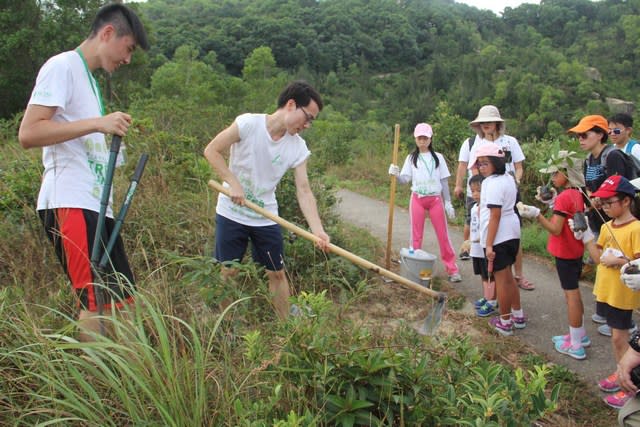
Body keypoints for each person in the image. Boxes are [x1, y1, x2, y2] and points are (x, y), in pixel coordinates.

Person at [17, 4, 149, 341]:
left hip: (96, 205)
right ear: (108, 34)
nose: (128, 59)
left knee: (123, 300)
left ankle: (132, 382)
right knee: (96, 302)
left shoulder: (90, 82)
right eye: (128, 48)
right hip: (69, 202)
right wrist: (96, 123)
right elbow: (29, 133)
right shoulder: (62, 66)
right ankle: (95, 391)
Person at [204, 80, 330, 320]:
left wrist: (318, 230)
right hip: (232, 212)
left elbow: (303, 190)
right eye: (308, 117)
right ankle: (229, 325)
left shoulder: (298, 147)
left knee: (277, 273)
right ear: (291, 105)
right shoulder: (248, 124)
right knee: (228, 271)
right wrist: (233, 183)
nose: (308, 125)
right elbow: (211, 150)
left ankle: (285, 325)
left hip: (265, 216)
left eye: (312, 120)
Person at [571, 175, 640, 409]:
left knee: (621, 338)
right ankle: (620, 369)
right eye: (603, 203)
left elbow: (637, 267)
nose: (605, 207)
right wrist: (586, 237)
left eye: (610, 202)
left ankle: (629, 384)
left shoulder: (636, 228)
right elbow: (599, 258)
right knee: (615, 337)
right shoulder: (607, 226)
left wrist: (622, 261)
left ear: (627, 201)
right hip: (607, 290)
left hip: (623, 294)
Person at [518, 151, 590, 359]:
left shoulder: (565, 197)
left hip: (565, 252)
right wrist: (551, 204)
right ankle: (579, 333)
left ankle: (576, 344)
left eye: (555, 173)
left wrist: (537, 214)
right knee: (574, 292)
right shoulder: (578, 193)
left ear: (566, 174)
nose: (552, 178)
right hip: (575, 251)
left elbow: (556, 229)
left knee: (571, 295)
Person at [453, 105, 534, 290]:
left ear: (497, 123)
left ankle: (518, 275)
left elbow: (519, 166)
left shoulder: (510, 142)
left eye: (489, 121)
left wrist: (516, 182)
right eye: (482, 123)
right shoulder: (476, 144)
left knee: (514, 234)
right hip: (485, 194)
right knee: (487, 234)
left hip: (509, 192)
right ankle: (493, 280)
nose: (486, 125)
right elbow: (472, 169)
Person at [572, 115, 635, 335]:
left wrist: (599, 199)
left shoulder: (613, 156)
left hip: (616, 220)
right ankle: (604, 309)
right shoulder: (589, 159)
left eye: (584, 134)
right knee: (602, 261)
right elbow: (590, 187)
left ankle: (623, 319)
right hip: (599, 218)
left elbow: (619, 188)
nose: (580, 139)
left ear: (600, 134)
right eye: (578, 135)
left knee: (617, 262)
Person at [388, 123, 461, 282]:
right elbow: (405, 180)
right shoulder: (411, 158)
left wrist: (448, 202)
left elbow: (443, 182)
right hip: (417, 199)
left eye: (425, 137)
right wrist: (396, 174)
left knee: (443, 236)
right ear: (415, 139)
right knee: (415, 236)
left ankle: (452, 269)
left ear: (430, 138)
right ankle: (414, 269)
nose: (422, 140)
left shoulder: (438, 158)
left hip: (435, 199)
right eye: (419, 137)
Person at [468, 142, 525, 336]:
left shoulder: (491, 184)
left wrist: (489, 244)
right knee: (508, 277)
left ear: (496, 162)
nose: (481, 167)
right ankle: (517, 314)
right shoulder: (508, 178)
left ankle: (505, 321)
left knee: (502, 280)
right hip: (512, 231)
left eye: (485, 163)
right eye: (479, 164)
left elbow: (495, 216)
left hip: (499, 236)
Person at [467, 174, 496, 317]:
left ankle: (492, 301)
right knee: (482, 275)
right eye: (473, 191)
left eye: (479, 191)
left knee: (490, 275)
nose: (475, 194)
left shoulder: (488, 208)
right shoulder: (473, 208)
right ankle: (487, 296)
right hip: (476, 248)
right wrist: (468, 241)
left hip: (485, 246)